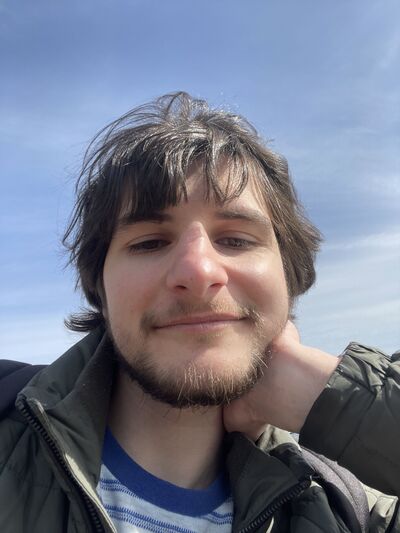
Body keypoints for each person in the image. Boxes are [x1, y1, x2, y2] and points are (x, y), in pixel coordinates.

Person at [0, 92, 399, 533]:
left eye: (236, 240)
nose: (199, 271)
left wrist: (325, 394)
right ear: (99, 285)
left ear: (289, 275)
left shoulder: (343, 509)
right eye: (149, 243)